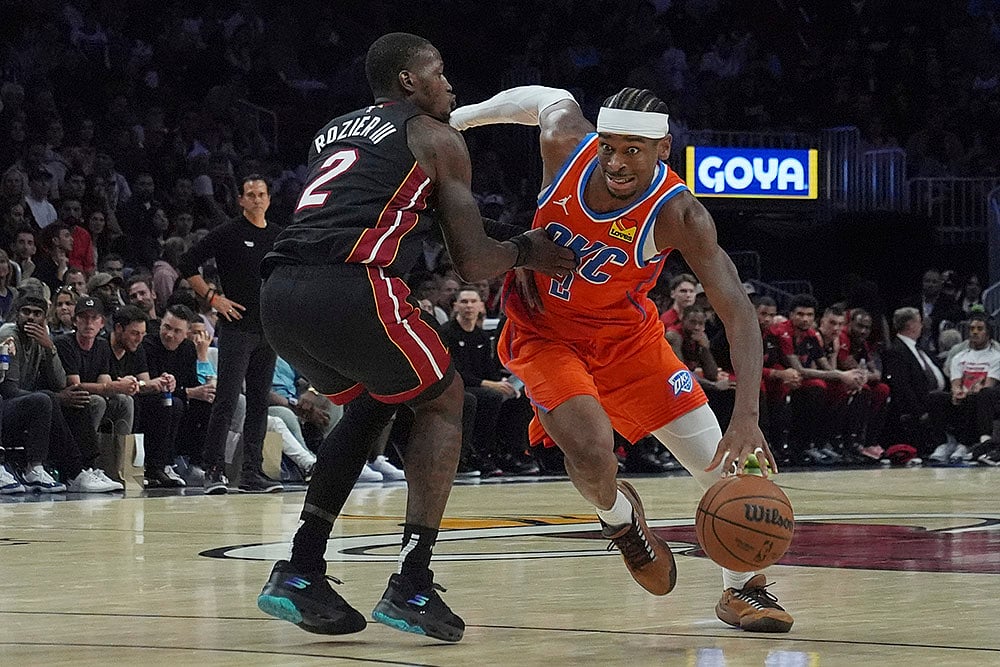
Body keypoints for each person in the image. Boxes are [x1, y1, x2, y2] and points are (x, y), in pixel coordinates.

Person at [254, 32, 575, 643]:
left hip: (281, 294)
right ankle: (412, 582)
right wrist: (527, 250)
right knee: (446, 398)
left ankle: (299, 569)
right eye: (440, 71)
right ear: (408, 80)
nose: (450, 86)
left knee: (378, 401)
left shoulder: (337, 128)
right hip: (351, 285)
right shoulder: (436, 137)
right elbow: (475, 262)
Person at [449, 85, 790, 632]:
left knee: (732, 470)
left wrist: (746, 417)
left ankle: (742, 589)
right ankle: (621, 522)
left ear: (663, 149)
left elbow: (738, 313)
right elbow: (545, 98)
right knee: (589, 449)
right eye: (609, 146)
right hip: (544, 336)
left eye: (633, 148)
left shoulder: (680, 213)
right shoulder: (565, 144)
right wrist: (461, 118)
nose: (615, 161)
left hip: (629, 344)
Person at [179, 174, 282, 494]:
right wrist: (213, 298)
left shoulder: (279, 236)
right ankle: (213, 470)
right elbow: (186, 262)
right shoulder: (228, 233)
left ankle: (252, 471)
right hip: (237, 329)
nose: (256, 199)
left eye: (261, 194)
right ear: (240, 200)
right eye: (250, 194)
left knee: (259, 403)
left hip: (268, 330)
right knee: (226, 399)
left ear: (268, 198)